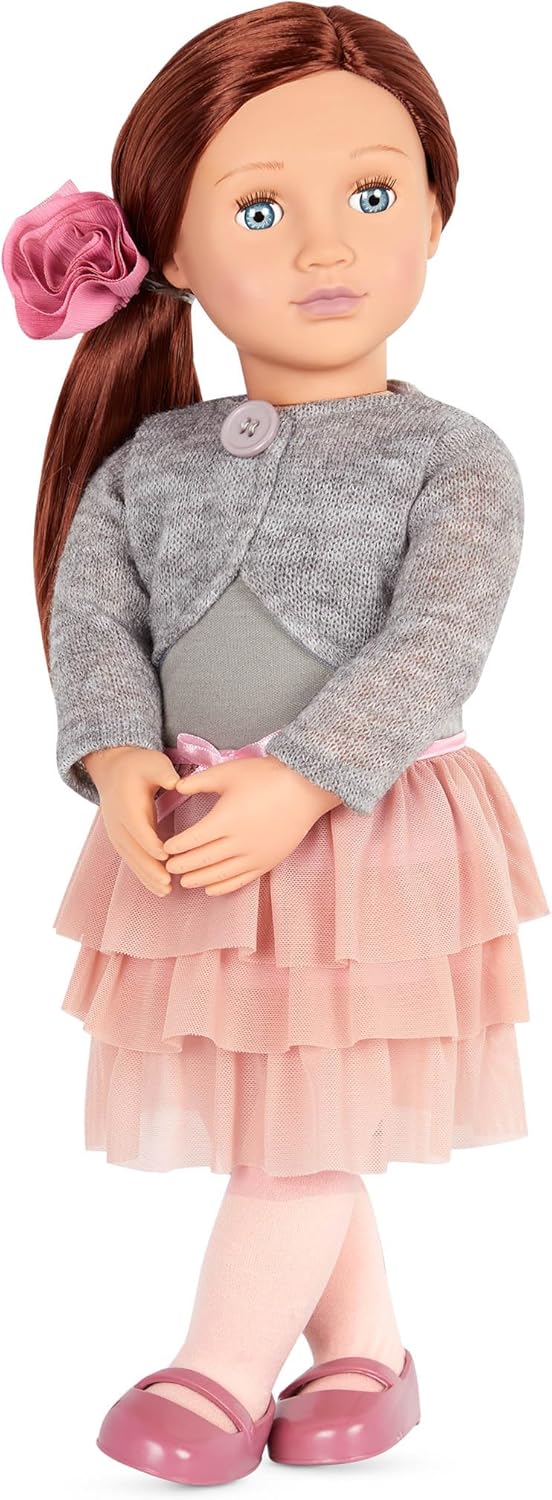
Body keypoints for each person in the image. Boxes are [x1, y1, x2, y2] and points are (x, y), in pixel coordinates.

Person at [3, 2, 549, 1485]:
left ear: (435, 211)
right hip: (193, 835)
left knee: (296, 1131)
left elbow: (437, 645)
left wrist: (305, 780)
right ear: (171, 253)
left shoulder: (457, 461)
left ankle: (219, 1371)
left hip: (372, 839)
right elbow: (91, 622)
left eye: (373, 194)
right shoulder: (149, 462)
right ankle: (368, 1354)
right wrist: (119, 758)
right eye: (260, 210)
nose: (324, 247)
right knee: (299, 1100)